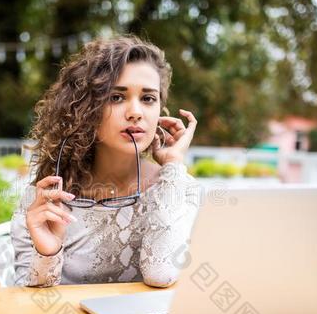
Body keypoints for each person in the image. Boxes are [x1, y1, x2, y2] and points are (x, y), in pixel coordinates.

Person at [11, 35, 201, 288]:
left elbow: (161, 273)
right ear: (86, 109)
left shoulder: (177, 188)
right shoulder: (45, 198)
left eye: (148, 98)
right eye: (116, 97)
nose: (135, 112)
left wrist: (173, 165)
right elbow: (23, 303)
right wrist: (48, 253)